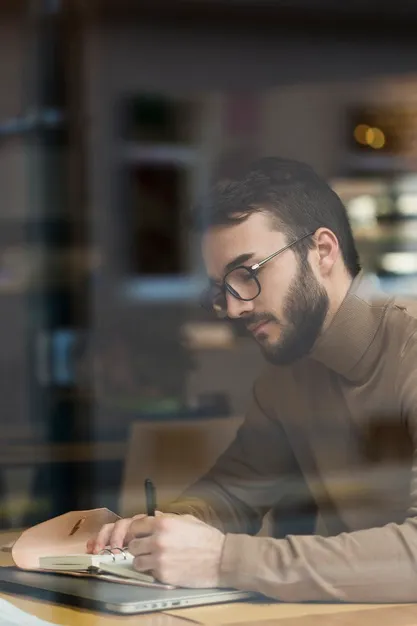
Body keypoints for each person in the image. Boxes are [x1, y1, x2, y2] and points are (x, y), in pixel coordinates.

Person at [87, 157, 417, 602]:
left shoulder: (409, 345)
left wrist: (223, 560)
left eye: (248, 274)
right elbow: (232, 494)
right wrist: (167, 529)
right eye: (222, 287)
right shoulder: (289, 375)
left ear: (322, 251)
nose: (236, 308)